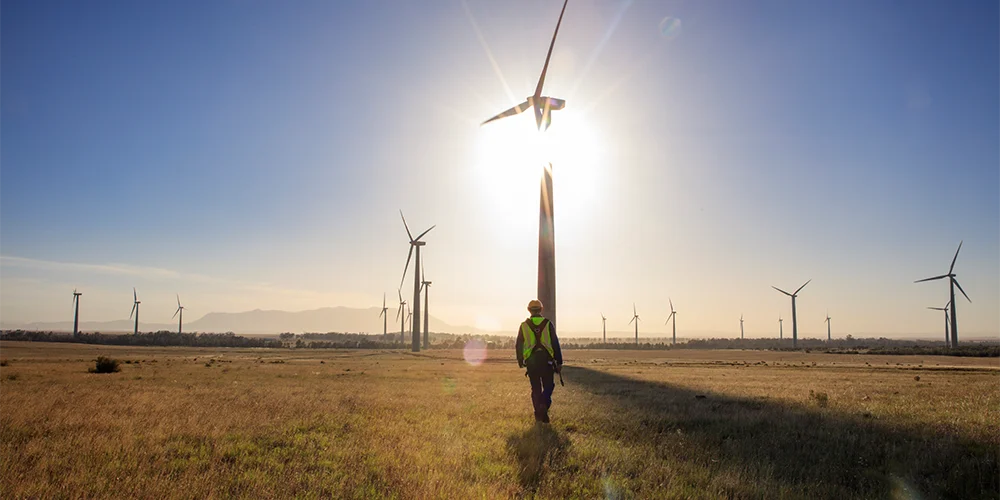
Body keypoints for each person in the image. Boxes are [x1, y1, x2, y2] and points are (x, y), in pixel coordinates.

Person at [516, 299, 563, 423]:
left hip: (531, 362)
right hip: (546, 361)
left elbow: (519, 344)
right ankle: (543, 405)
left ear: (529, 310)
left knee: (535, 388)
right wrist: (559, 361)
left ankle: (538, 412)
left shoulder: (523, 326)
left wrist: (520, 360)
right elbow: (555, 343)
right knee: (549, 386)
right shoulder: (548, 324)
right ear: (541, 309)